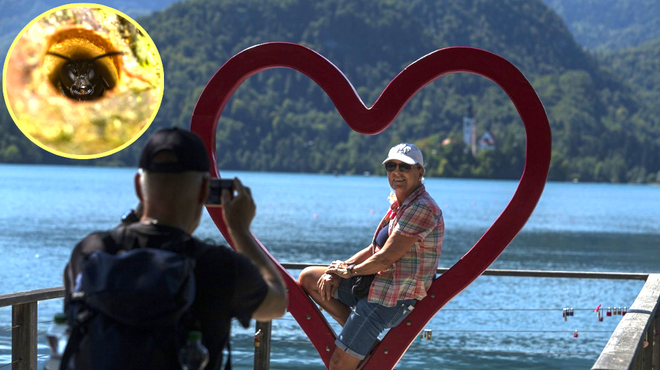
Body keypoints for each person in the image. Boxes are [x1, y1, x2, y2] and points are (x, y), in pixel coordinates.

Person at [63, 127, 288, 369]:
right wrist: (239, 229)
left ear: (139, 187)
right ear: (204, 190)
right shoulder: (220, 267)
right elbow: (277, 302)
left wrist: (136, 217)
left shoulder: (91, 252)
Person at [299, 143, 444, 370]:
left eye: (404, 167)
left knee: (338, 365)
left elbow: (385, 258)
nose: (396, 171)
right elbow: (372, 250)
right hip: (375, 285)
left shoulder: (422, 208)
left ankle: (360, 343)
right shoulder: (399, 205)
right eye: (391, 166)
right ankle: (364, 343)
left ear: (420, 172)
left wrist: (349, 271)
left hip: (392, 298)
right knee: (311, 278)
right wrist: (335, 271)